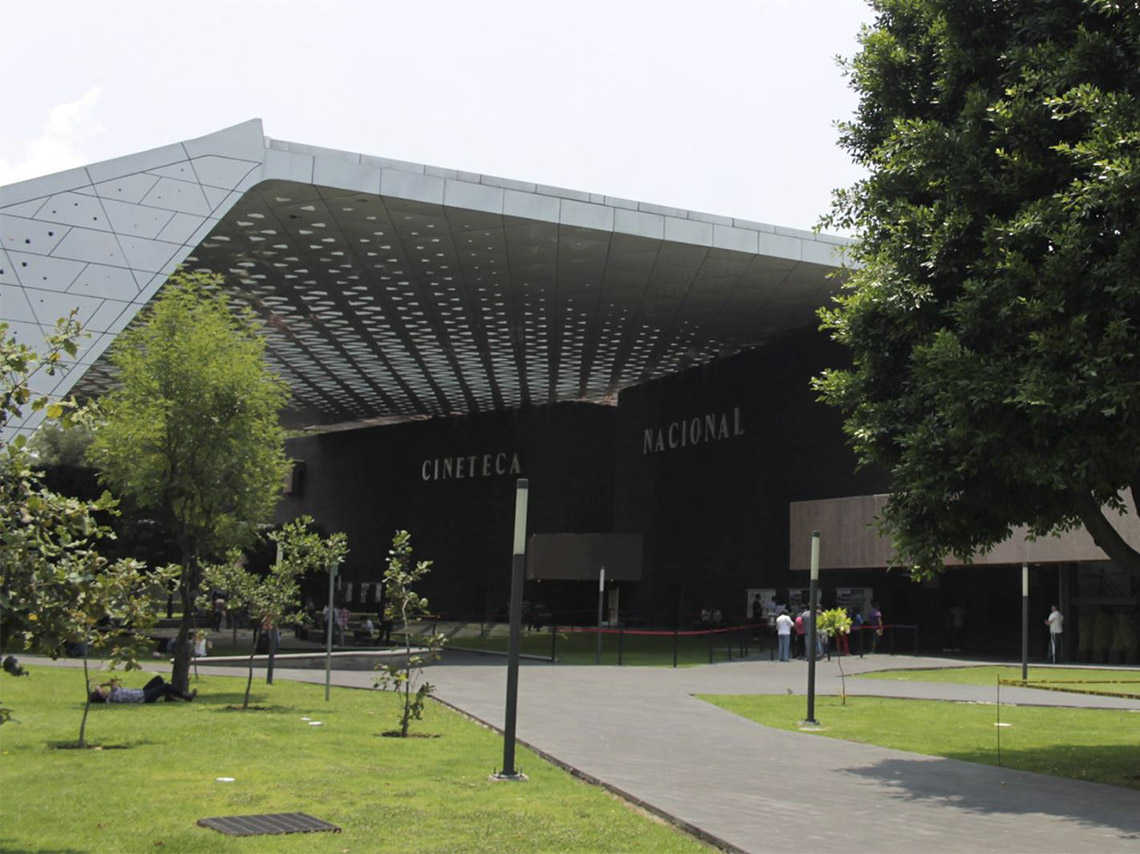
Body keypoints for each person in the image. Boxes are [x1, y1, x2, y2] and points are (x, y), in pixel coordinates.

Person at [89, 675, 196, 704]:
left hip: (141, 692)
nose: (104, 691)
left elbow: (111, 685)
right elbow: (112, 682)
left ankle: (169, 696)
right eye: (102, 692)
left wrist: (98, 688)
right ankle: (186, 696)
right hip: (145, 697)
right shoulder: (112, 696)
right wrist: (100, 685)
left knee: (158, 679)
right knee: (166, 686)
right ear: (102, 696)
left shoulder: (112, 696)